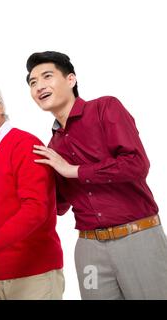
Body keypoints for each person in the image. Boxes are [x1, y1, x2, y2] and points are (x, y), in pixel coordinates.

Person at [26, 51, 167, 299]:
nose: (39, 86)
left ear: (71, 79)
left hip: (137, 237)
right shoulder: (53, 146)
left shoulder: (105, 108)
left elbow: (136, 164)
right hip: (88, 248)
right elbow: (59, 206)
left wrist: (75, 171)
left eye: (47, 76)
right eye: (33, 82)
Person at [0, 82, 64, 300]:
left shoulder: (24, 144)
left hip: (35, 272)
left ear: (0, 106)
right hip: (0, 273)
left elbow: (36, 209)